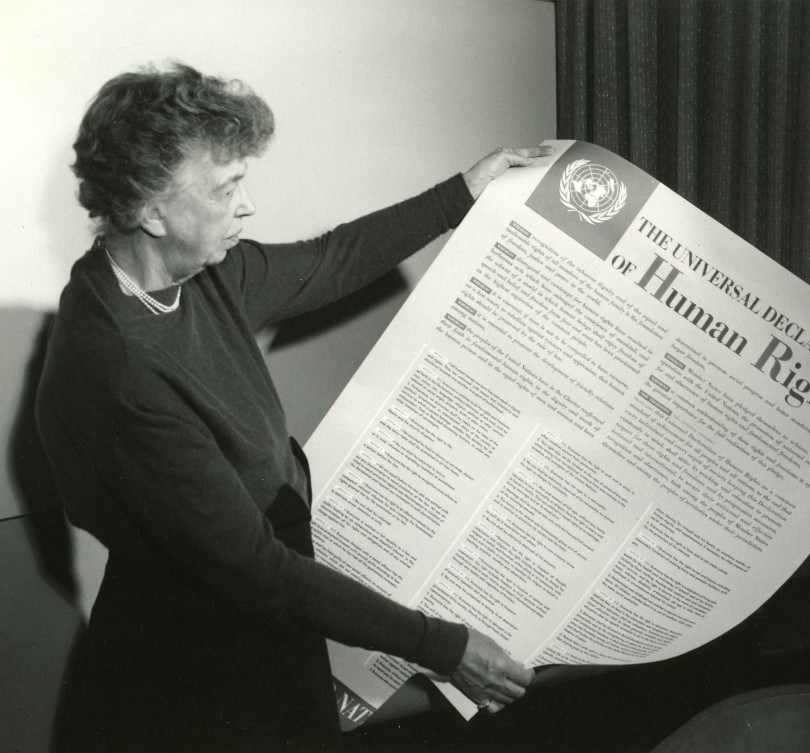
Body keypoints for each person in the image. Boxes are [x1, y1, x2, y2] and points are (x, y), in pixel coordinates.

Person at [36, 62, 550, 752]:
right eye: (226, 188)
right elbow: (256, 570)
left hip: (258, 605)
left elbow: (329, 259)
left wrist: (464, 190)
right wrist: (445, 645)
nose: (247, 205)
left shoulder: (203, 273)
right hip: (193, 656)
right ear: (150, 210)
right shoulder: (120, 365)